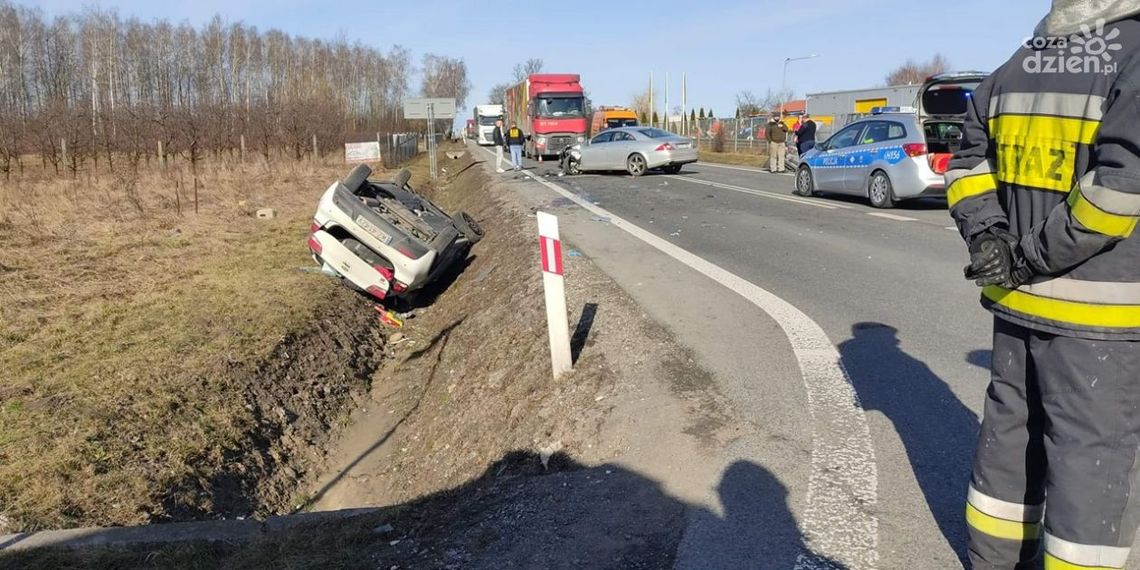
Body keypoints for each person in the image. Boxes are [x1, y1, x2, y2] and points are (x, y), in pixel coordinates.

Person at [948, 4, 1140, 569]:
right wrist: (1028, 259)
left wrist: (990, 240)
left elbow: (964, 161)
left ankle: (994, 562)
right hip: (1100, 316)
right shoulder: (1132, 54)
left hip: (1015, 303)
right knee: (1090, 457)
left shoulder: (1021, 61)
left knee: (1010, 436)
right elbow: (1118, 195)